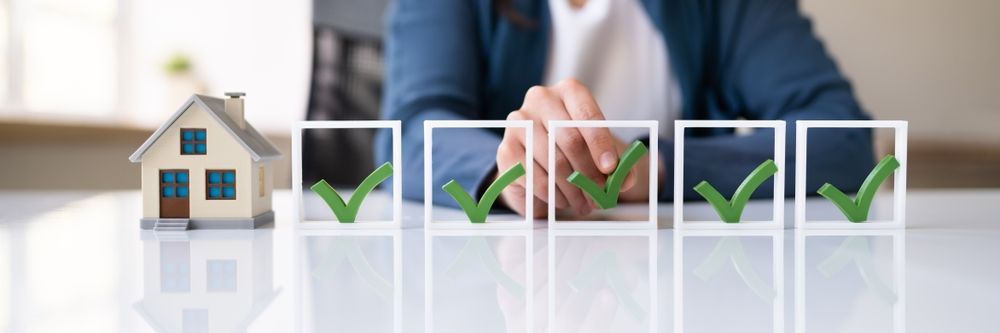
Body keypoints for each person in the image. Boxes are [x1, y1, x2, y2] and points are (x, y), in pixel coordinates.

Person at [376, 0, 875, 218]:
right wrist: (510, 173)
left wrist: (652, 169)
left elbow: (841, 135)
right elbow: (410, 134)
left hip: (678, 274)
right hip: (500, 276)